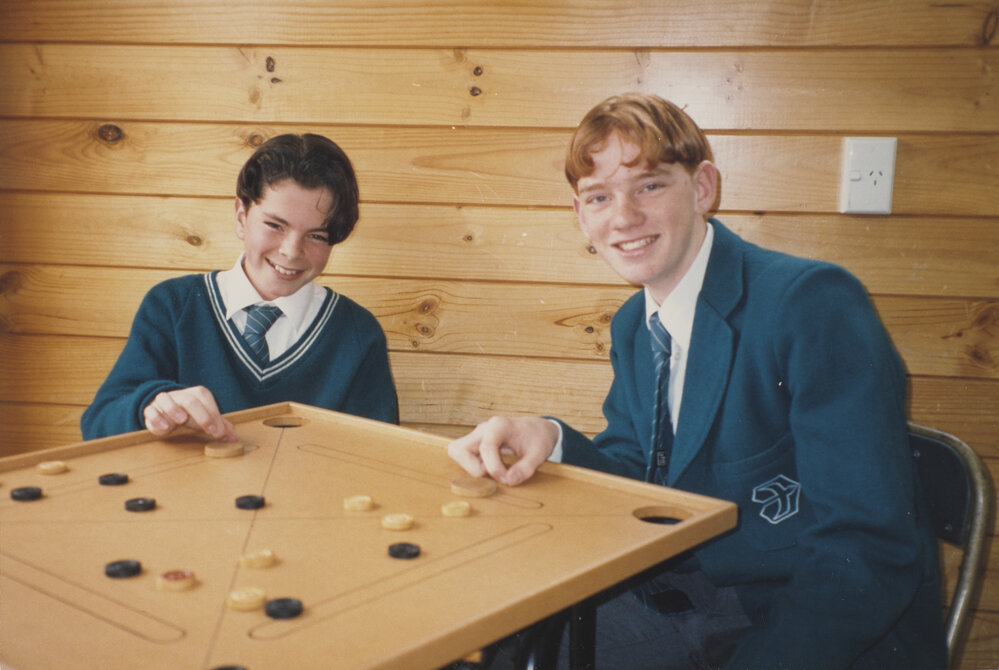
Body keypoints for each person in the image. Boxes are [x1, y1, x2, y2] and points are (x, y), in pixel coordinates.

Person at [448, 94, 946, 669]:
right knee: (482, 641)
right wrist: (551, 438)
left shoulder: (810, 304)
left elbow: (867, 549)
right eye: (600, 197)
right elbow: (639, 471)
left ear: (703, 188)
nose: (623, 217)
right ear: (581, 216)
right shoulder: (635, 324)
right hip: (680, 598)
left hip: (796, 622)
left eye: (650, 186)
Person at [82, 133, 398, 441]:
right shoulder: (172, 306)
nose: (291, 251)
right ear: (241, 216)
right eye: (275, 225)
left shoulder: (358, 334)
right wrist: (148, 406)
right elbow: (97, 424)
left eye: (316, 235)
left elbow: (380, 454)